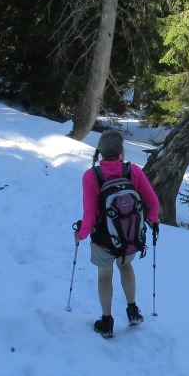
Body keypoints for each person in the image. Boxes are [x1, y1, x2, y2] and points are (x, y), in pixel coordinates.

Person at [75, 129, 160, 338]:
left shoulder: (91, 176)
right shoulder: (133, 171)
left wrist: (81, 234)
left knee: (105, 275)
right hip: (129, 237)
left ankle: (106, 322)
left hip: (103, 239)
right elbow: (153, 202)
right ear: (121, 150)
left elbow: (90, 214)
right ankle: (133, 310)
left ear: (100, 150)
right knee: (126, 266)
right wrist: (153, 220)